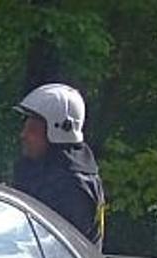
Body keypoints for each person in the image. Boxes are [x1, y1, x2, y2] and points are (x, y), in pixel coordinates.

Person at [12, 83, 107, 244]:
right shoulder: (44, 172)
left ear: (56, 132)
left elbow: (56, 253)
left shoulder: (72, 187)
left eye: (32, 129)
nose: (23, 135)